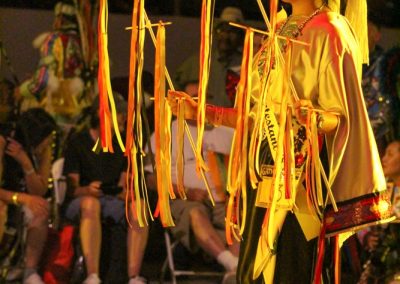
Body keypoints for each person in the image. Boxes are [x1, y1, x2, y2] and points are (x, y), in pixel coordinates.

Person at [168, 0, 393, 282]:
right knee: (255, 271)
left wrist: (314, 117)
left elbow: (343, 116)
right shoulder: (277, 30)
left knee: (293, 268)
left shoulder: (330, 30)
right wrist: (203, 112)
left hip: (301, 178)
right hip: (261, 173)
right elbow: (254, 116)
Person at [146, 81, 239, 274]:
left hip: (224, 200)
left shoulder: (226, 131)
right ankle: (231, 264)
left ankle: (235, 274)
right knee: (195, 213)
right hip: (185, 200)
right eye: (192, 99)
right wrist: (186, 192)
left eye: (202, 98)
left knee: (241, 214)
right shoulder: (165, 134)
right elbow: (151, 180)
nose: (198, 103)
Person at [62, 94, 148, 284]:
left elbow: (125, 183)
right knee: (91, 204)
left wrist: (125, 193)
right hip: (83, 200)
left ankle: (134, 276)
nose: (124, 118)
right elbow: (71, 189)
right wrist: (87, 190)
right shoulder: (79, 142)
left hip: (111, 200)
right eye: (119, 113)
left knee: (139, 206)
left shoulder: (125, 143)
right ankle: (93, 275)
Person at [0, 108, 58, 284]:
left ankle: (29, 271)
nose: (48, 143)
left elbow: (39, 191)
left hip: (20, 199)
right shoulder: (4, 142)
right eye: (45, 140)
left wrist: (26, 162)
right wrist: (22, 198)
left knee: (41, 208)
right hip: (4, 197)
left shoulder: (43, 147)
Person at [174, 6, 245, 107]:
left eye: (232, 31)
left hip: (232, 121)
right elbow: (174, 93)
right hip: (201, 121)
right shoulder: (197, 62)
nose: (225, 36)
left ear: (241, 36)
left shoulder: (247, 66)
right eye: (222, 30)